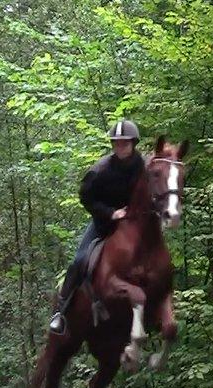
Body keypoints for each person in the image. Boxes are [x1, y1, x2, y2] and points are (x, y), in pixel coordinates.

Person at [49, 119, 145, 334]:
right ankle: (60, 312)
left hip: (132, 227)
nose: (120, 147)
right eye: (117, 143)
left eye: (125, 143)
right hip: (104, 225)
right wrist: (111, 213)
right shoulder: (100, 170)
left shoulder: (143, 167)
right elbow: (86, 198)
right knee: (80, 260)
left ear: (133, 143)